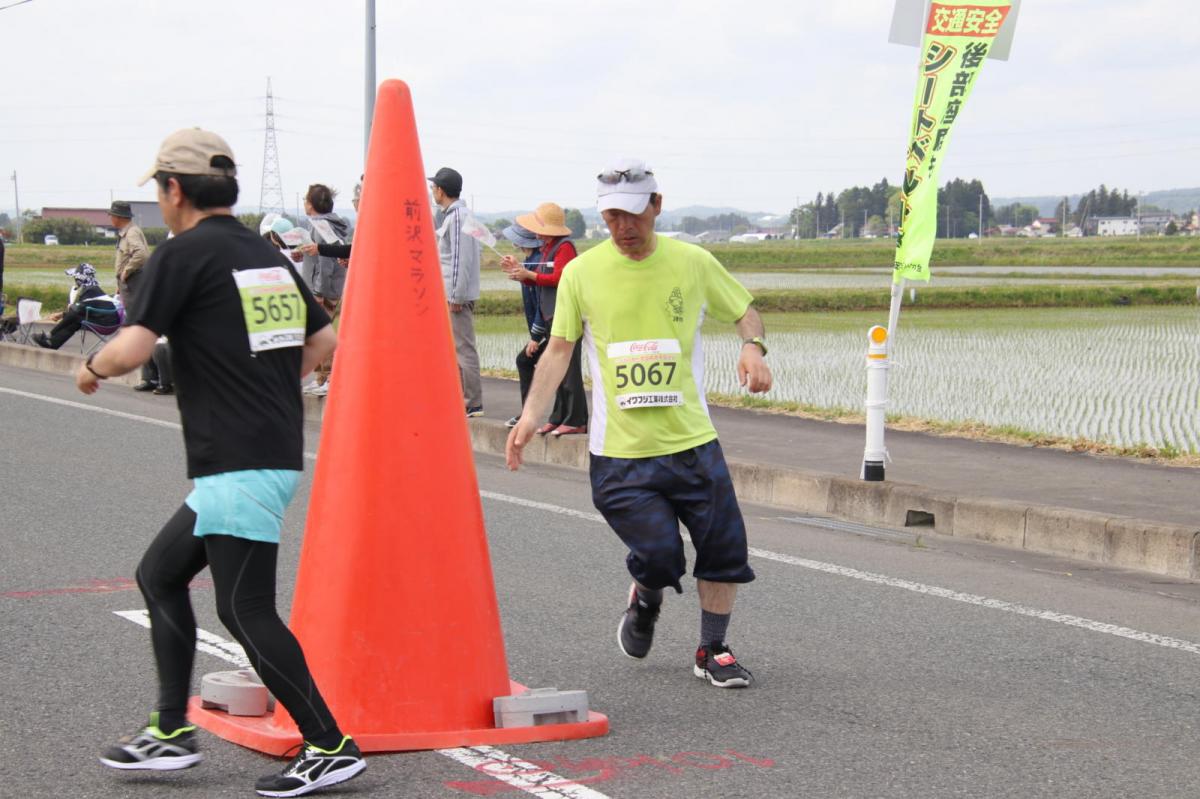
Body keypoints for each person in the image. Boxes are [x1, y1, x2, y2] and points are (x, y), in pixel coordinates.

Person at [78, 127, 365, 796]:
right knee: (160, 573)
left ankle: (329, 743)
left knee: (243, 607)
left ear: (174, 190)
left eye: (158, 188)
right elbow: (325, 338)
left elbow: (133, 347)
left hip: (236, 457)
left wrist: (90, 368)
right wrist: (268, 385)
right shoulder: (261, 254)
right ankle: (172, 732)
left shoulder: (182, 255)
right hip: (261, 451)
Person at [506, 158, 772, 689]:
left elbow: (744, 310)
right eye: (610, 217)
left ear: (656, 205)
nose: (623, 228)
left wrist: (752, 346)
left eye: (632, 215)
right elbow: (560, 349)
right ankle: (645, 594)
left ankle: (712, 648)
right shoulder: (583, 272)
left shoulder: (692, 262)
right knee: (658, 555)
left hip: (694, 442)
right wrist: (532, 415)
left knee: (723, 550)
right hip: (621, 453)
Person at [501, 202, 587, 436]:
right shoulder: (549, 247)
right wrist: (521, 273)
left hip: (566, 314)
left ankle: (576, 419)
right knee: (556, 370)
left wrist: (530, 274)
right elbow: (539, 279)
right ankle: (558, 417)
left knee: (569, 369)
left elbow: (560, 278)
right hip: (553, 316)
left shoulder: (564, 247)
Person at [430, 166, 483, 417]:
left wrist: (456, 296)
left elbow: (460, 260)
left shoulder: (459, 216)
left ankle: (473, 401)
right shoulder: (453, 215)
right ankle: (463, 398)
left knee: (464, 347)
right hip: (453, 293)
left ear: (441, 190)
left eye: (433, 188)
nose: (432, 191)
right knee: (457, 348)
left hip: (456, 295)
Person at [298, 184, 350, 394]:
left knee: (321, 331)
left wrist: (319, 291)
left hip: (323, 288)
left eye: (305, 199)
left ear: (311, 204)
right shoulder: (333, 223)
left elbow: (325, 262)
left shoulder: (320, 225)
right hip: (330, 285)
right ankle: (321, 377)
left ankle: (326, 377)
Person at [499, 222, 543, 427]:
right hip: (546, 329)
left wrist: (535, 336)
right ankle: (529, 414)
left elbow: (542, 301)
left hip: (548, 329)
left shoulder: (536, 262)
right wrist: (518, 270)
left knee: (524, 361)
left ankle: (529, 415)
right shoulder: (531, 261)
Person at [32, 263, 119, 350]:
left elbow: (76, 311)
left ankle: (49, 334)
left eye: (75, 277)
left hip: (106, 325)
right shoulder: (93, 288)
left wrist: (62, 314)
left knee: (75, 316)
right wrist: (63, 314)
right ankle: (52, 343)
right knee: (76, 320)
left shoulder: (90, 291)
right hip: (109, 323)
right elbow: (80, 311)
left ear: (80, 278)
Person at [111, 200, 150, 308]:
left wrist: (126, 272)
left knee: (134, 314)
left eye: (112, 215)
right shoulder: (128, 231)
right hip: (128, 282)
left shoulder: (131, 232)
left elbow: (141, 254)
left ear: (118, 217)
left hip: (133, 281)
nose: (111, 219)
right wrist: (120, 283)